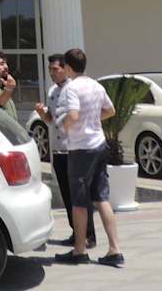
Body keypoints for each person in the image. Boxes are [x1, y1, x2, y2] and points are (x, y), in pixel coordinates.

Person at [55, 47, 123, 268]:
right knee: (101, 197)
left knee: (79, 201)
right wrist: (92, 120)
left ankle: (79, 250)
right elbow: (110, 110)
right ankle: (115, 249)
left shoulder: (70, 88)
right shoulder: (96, 85)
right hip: (99, 145)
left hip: (80, 149)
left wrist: (65, 126)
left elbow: (73, 114)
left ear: (68, 67)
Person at [34, 54, 97, 249]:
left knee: (80, 195)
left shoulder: (75, 88)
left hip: (74, 148)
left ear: (65, 68)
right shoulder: (52, 91)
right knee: (67, 195)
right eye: (50, 70)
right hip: (58, 149)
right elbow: (51, 120)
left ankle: (89, 235)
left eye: (55, 69)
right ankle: (76, 232)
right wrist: (43, 114)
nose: (52, 73)